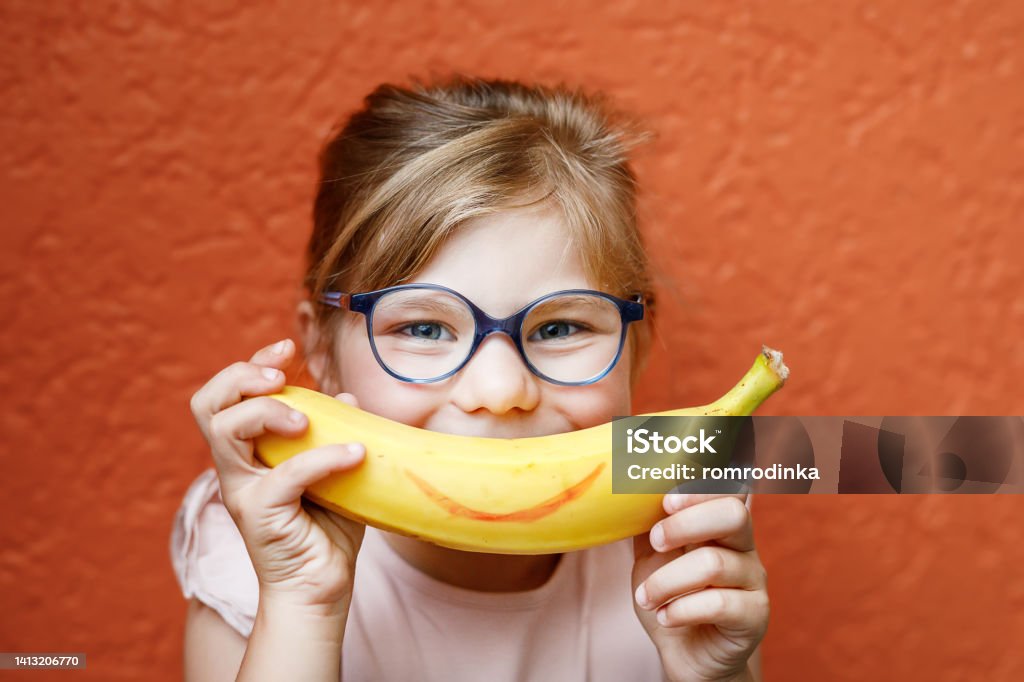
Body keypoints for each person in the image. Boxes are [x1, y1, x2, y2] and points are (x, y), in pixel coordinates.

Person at [172, 75, 768, 681]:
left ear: (636, 345)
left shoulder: (679, 565)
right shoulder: (262, 563)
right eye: (425, 329)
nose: (501, 391)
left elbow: (857, 454)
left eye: (560, 328)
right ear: (320, 350)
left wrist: (713, 676)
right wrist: (301, 607)